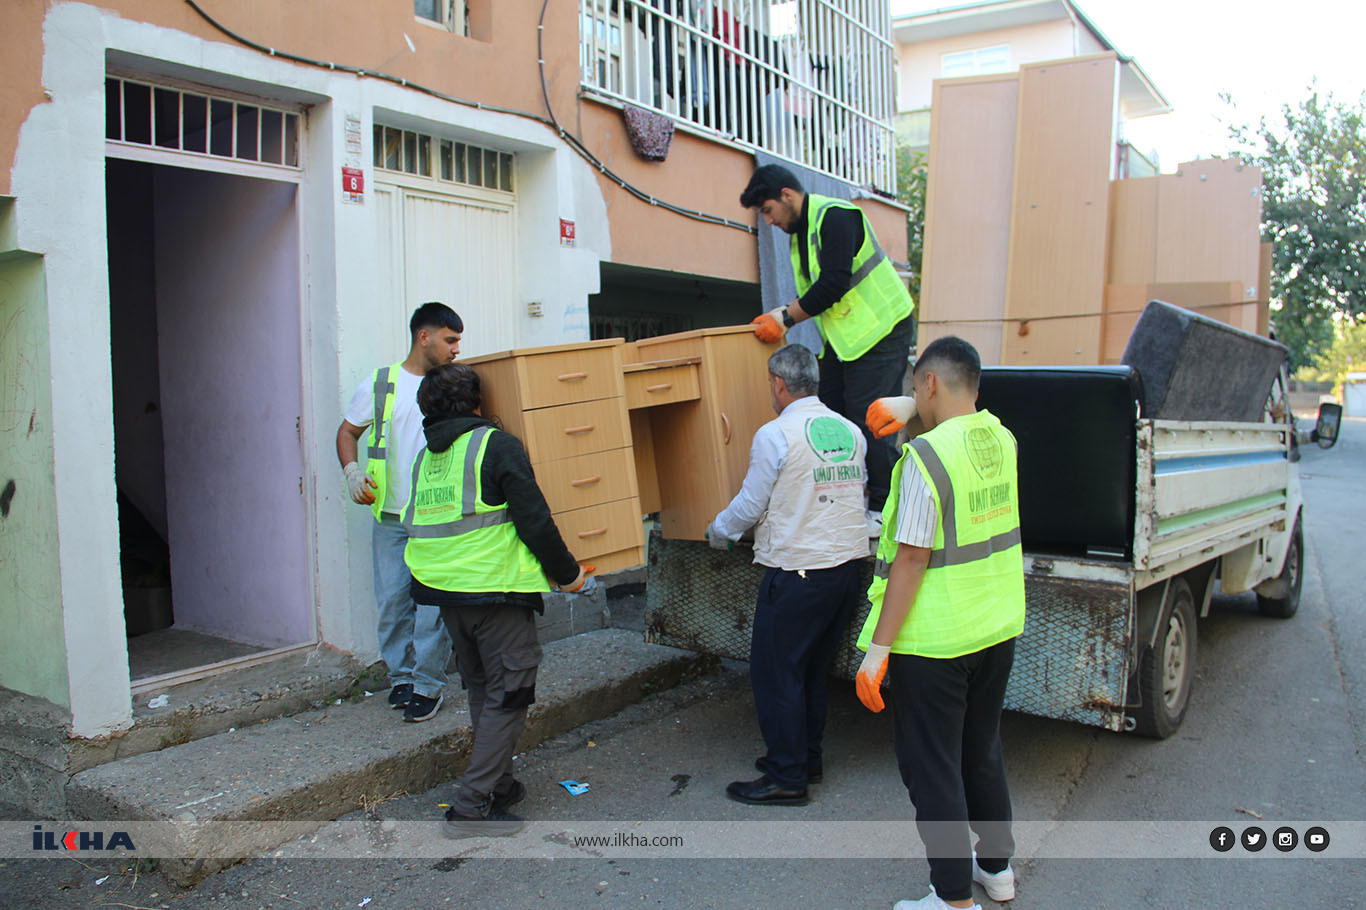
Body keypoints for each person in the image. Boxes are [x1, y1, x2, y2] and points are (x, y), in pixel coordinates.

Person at [853, 336, 1025, 910]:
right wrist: (912, 406)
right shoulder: (1002, 438)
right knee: (982, 751)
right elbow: (962, 418)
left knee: (934, 770)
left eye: (915, 387)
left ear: (927, 383)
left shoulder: (925, 458)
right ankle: (996, 871)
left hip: (936, 641)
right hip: (996, 626)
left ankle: (952, 899)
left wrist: (877, 652)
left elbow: (911, 558)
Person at [403, 362, 595, 838]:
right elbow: (534, 520)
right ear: (477, 404)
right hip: (495, 593)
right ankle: (470, 808)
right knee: (509, 695)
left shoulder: (427, 457)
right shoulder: (496, 445)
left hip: (448, 597)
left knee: (485, 692)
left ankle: (499, 785)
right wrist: (569, 576)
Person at [706, 344, 869, 807]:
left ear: (778, 384)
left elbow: (751, 504)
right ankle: (805, 759)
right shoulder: (849, 431)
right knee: (812, 671)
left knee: (778, 674)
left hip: (798, 574)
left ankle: (786, 775)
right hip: (845, 574)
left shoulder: (775, 434)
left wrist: (718, 531)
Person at [739, 163, 915, 531]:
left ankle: (884, 509)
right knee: (830, 412)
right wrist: (783, 314)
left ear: (787, 196)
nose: (768, 221)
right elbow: (818, 293)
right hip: (847, 340)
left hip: (883, 328)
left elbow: (833, 284)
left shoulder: (835, 217)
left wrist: (784, 318)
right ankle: (850, 499)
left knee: (871, 417)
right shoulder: (800, 235)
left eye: (768, 210)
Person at [336, 303, 462, 723]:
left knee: (431, 607)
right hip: (390, 515)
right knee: (393, 600)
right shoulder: (381, 383)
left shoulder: (453, 384)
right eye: (450, 339)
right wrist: (352, 471)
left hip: (435, 516)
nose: (456, 349)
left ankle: (428, 684)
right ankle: (401, 677)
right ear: (423, 337)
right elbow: (349, 431)